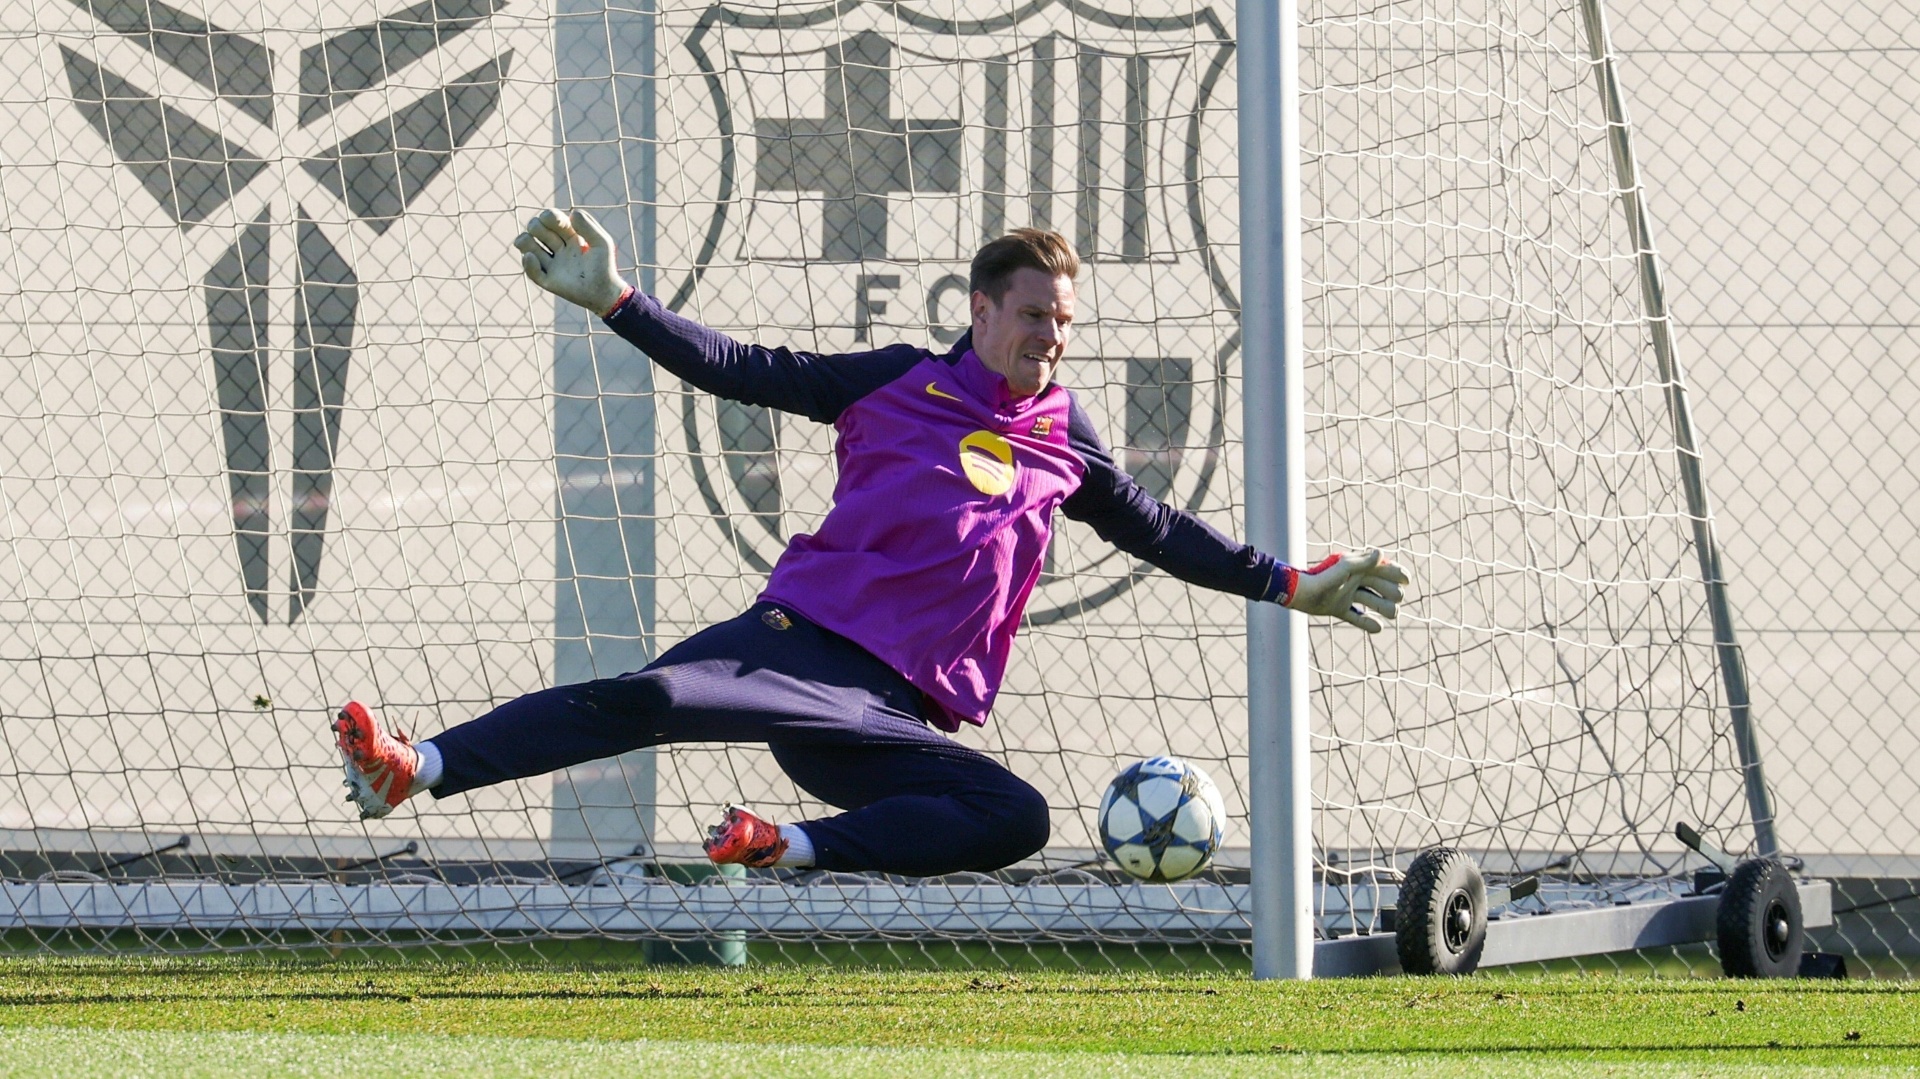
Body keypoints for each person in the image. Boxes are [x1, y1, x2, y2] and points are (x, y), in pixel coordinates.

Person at [330, 209, 1408, 877]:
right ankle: (408, 769)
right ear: (982, 309)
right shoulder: (897, 378)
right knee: (648, 701)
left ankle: (783, 846)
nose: (1054, 336)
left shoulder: (1066, 436)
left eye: (1066, 322)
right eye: (1036, 314)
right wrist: (618, 300)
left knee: (1012, 815)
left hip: (893, 713)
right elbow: (744, 368)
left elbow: (1161, 529)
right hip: (799, 644)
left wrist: (1288, 583)